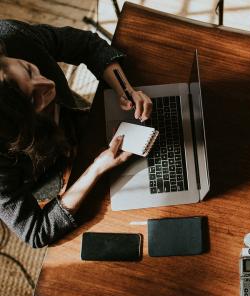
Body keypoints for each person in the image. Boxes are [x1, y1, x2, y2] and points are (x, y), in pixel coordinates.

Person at [0, 19, 153, 248]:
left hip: (74, 123)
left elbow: (87, 45)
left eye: (30, 69)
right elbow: (35, 232)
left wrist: (126, 90)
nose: (49, 84)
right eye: (34, 98)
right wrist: (96, 169)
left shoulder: (13, 37)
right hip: (40, 175)